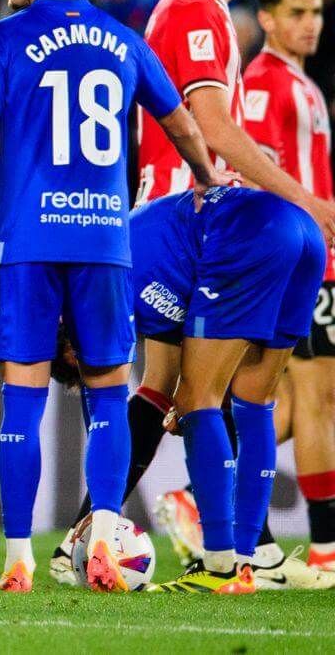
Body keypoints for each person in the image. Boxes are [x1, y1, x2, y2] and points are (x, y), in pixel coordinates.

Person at [45, 0, 335, 592]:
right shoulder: (196, 11)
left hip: (198, 216)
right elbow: (214, 130)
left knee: (175, 386)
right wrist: (297, 196)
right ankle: (222, 548)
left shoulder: (205, 13)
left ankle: (106, 533)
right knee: (198, 389)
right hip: (185, 216)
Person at [0, 0, 221, 593]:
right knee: (109, 396)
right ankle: (105, 545)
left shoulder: (4, 38)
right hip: (105, 243)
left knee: (23, 400)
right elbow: (179, 120)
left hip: (30, 243)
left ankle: (18, 559)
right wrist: (210, 183)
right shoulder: (122, 38)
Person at [114, 186, 326, 594]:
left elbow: (194, 381)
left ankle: (218, 565)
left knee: (199, 401)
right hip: (303, 233)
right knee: (256, 402)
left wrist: (191, 398)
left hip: (249, 233)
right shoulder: (137, 238)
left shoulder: (117, 278)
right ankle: (247, 563)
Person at [242, 0, 335, 573]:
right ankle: (327, 547)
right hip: (303, 262)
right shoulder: (264, 83)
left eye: (317, 12)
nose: (310, 24)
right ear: (269, 18)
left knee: (295, 400)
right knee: (317, 396)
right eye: (297, 13)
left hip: (317, 259)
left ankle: (211, 486)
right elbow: (255, 170)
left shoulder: (301, 82)